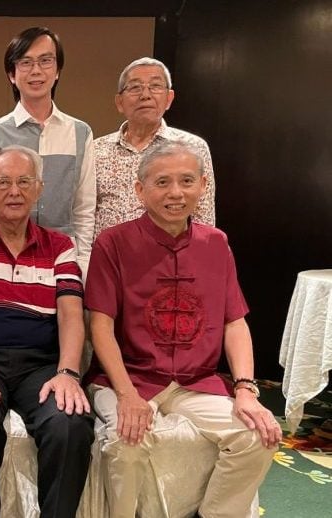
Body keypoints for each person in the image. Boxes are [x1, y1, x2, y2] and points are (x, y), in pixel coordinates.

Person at [85, 142, 281, 518]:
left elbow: (234, 322)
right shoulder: (113, 243)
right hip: (129, 377)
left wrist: (245, 389)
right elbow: (101, 327)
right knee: (126, 443)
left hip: (197, 381)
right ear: (140, 190)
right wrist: (126, 395)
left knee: (258, 435)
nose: (176, 193)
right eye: (162, 182)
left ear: (203, 186)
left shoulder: (216, 243)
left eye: (187, 181)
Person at [0, 146, 94, 518]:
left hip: (41, 364)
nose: (14, 191)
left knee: (70, 422)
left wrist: (68, 372)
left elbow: (71, 316)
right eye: (3, 183)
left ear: (39, 188)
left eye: (24, 182)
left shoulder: (60, 247)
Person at [0, 27, 95, 272]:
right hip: (8, 258)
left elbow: (84, 208)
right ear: (12, 74)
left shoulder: (80, 132)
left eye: (45, 61)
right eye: (26, 62)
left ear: (57, 70)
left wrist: (82, 264)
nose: (36, 71)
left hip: (64, 258)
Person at [93, 57, 216, 239]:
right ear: (119, 102)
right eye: (135, 87)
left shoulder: (192, 147)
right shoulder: (96, 149)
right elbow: (85, 212)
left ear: (169, 98)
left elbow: (203, 217)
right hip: (108, 253)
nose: (145, 95)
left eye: (155, 86)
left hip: (171, 253)